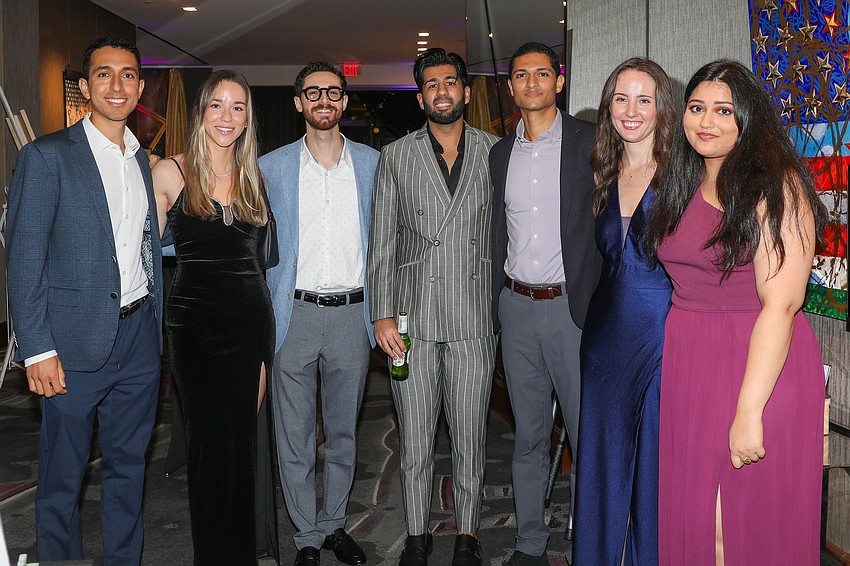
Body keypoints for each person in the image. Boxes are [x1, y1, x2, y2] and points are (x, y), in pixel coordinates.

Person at [643, 59, 826, 565]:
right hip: (690, 365)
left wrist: (749, 411)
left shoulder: (777, 186)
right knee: (698, 521)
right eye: (697, 108)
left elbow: (782, 305)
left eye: (724, 110)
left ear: (748, 117)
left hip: (760, 365)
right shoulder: (681, 181)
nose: (707, 121)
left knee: (736, 525)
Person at [5, 36, 163, 564]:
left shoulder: (142, 160)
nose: (116, 85)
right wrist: (37, 347)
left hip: (139, 340)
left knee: (128, 473)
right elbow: (24, 259)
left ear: (140, 87)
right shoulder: (46, 156)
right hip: (71, 345)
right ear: (84, 85)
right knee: (61, 481)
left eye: (127, 75)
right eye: (103, 74)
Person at [368, 48, 498, 566]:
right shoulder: (396, 157)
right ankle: (417, 535)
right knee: (416, 439)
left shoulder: (497, 152)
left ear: (465, 91)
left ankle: (467, 535)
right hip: (411, 322)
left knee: (471, 436)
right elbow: (382, 242)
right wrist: (380, 312)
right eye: (431, 84)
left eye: (451, 82)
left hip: (473, 318)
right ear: (420, 97)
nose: (442, 91)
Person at [151, 70, 277, 565]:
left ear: (248, 118)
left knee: (242, 448)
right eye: (218, 105)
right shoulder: (171, 172)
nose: (227, 116)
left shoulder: (254, 177)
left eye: (238, 107)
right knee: (207, 450)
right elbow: (134, 251)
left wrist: (266, 346)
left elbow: (259, 266)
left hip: (250, 326)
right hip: (195, 330)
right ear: (202, 111)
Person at [259, 61, 378, 566]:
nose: (324, 100)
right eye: (313, 93)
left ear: (344, 102)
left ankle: (334, 524)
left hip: (354, 313)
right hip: (294, 314)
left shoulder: (374, 164)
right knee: (295, 434)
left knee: (345, 432)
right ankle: (307, 535)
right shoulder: (271, 167)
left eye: (333, 92)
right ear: (298, 103)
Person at [489, 42, 601, 566]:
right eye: (520, 76)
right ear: (510, 88)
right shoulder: (499, 153)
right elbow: (495, 233)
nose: (531, 83)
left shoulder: (591, 142)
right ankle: (529, 544)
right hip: (517, 308)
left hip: (572, 312)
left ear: (559, 82)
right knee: (528, 436)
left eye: (541, 74)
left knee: (584, 435)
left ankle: (589, 545)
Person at [571, 58, 675, 566]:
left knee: (654, 463)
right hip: (605, 335)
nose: (631, 111)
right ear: (608, 105)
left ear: (662, 108)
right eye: (620, 98)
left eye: (643, 99)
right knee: (600, 459)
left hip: (664, 332)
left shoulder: (685, 172)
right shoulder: (603, 170)